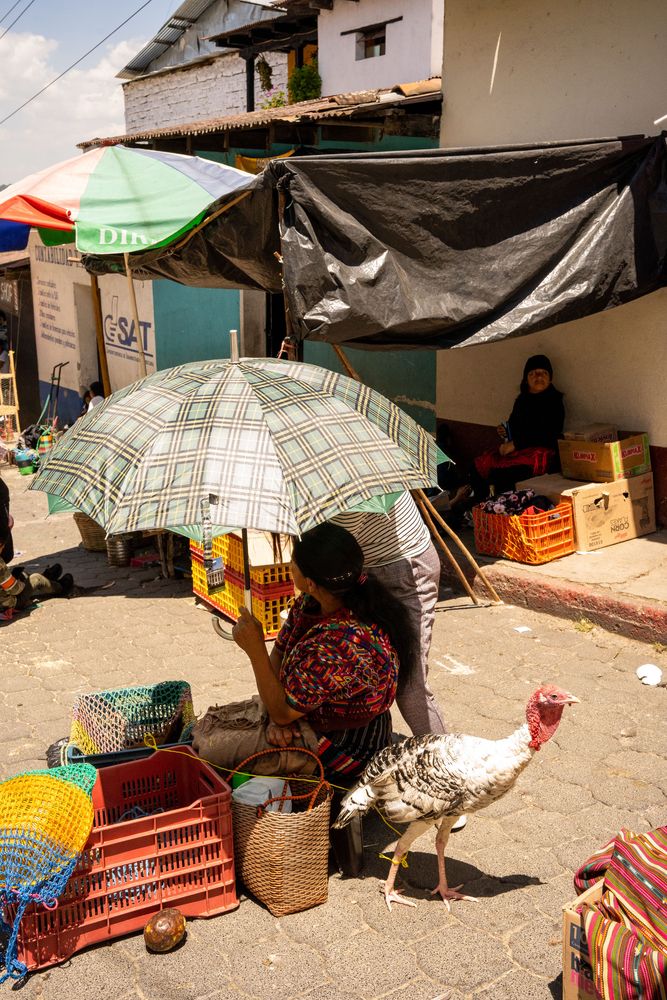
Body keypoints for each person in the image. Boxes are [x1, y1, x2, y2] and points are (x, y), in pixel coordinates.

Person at [230, 522, 417, 779]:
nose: (289, 568)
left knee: (216, 750)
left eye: (292, 564)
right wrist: (277, 716)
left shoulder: (339, 645)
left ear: (310, 581)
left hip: (347, 747)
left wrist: (255, 652)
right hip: (302, 713)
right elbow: (280, 655)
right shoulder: (311, 603)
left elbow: (283, 710)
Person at [331, 491, 447, 737]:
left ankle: (446, 766)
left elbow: (341, 532)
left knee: (410, 685)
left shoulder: (357, 467)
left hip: (407, 568)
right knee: (366, 673)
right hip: (368, 569)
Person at [472, 354, 565, 498]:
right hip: (519, 450)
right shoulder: (521, 400)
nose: (538, 377)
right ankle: (480, 509)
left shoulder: (555, 402)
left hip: (541, 453)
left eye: (543, 373)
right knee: (478, 465)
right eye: (533, 374)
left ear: (550, 378)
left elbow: (548, 433)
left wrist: (516, 444)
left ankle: (504, 510)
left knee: (502, 475)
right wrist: (504, 430)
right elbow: (513, 425)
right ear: (526, 379)